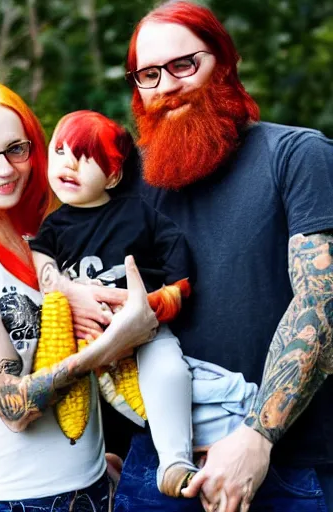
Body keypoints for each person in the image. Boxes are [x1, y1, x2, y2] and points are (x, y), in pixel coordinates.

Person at [0, 79, 158, 512]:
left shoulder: (37, 240)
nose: (4, 170)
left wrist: (97, 467)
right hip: (13, 501)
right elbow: (13, 407)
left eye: (17, 150)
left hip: (91, 491)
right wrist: (115, 342)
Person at [114, 1, 333, 511]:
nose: (167, 85)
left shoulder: (299, 156)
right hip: (159, 470)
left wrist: (258, 438)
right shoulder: (130, 188)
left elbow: (321, 306)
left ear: (225, 64)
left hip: (285, 469)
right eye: (148, 74)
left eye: (183, 65)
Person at [29, 109, 258, 498]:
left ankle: (175, 461)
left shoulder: (136, 213)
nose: (68, 165)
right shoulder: (52, 227)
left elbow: (177, 255)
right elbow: (37, 262)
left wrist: (162, 301)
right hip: (88, 342)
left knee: (170, 375)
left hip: (144, 331)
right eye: (60, 152)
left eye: (85, 158)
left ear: (114, 176)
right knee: (105, 405)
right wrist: (63, 287)